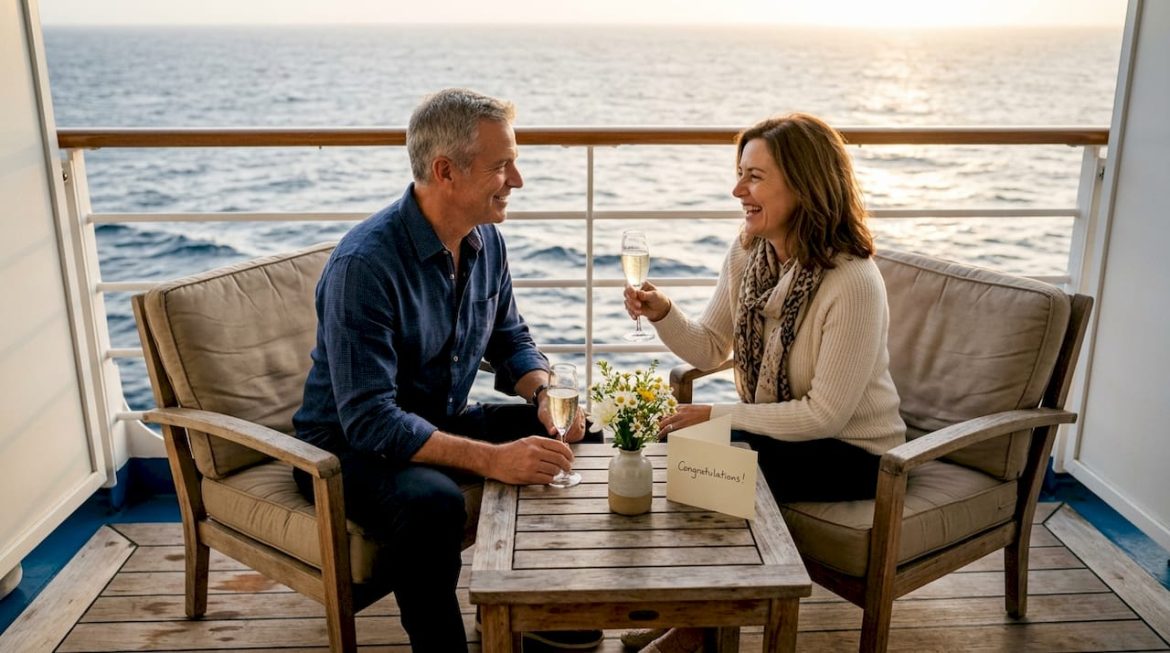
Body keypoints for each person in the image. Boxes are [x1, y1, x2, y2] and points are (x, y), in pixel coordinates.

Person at [292, 88, 601, 652]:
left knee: (590, 429)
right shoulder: (364, 265)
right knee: (435, 503)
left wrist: (544, 397)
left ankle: (543, 607)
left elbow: (511, 339)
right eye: (502, 166)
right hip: (345, 451)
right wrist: (492, 459)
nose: (518, 180)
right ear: (445, 171)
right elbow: (370, 421)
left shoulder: (487, 241)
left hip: (439, 418)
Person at [622, 113, 906, 653]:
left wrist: (717, 417)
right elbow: (711, 346)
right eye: (740, 173)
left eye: (754, 176)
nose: (738, 191)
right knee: (672, 449)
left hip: (854, 451)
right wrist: (663, 312)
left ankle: (696, 631)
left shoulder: (853, 281)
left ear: (803, 184)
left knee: (709, 466)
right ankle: (693, 613)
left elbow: (826, 416)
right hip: (784, 431)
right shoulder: (750, 253)